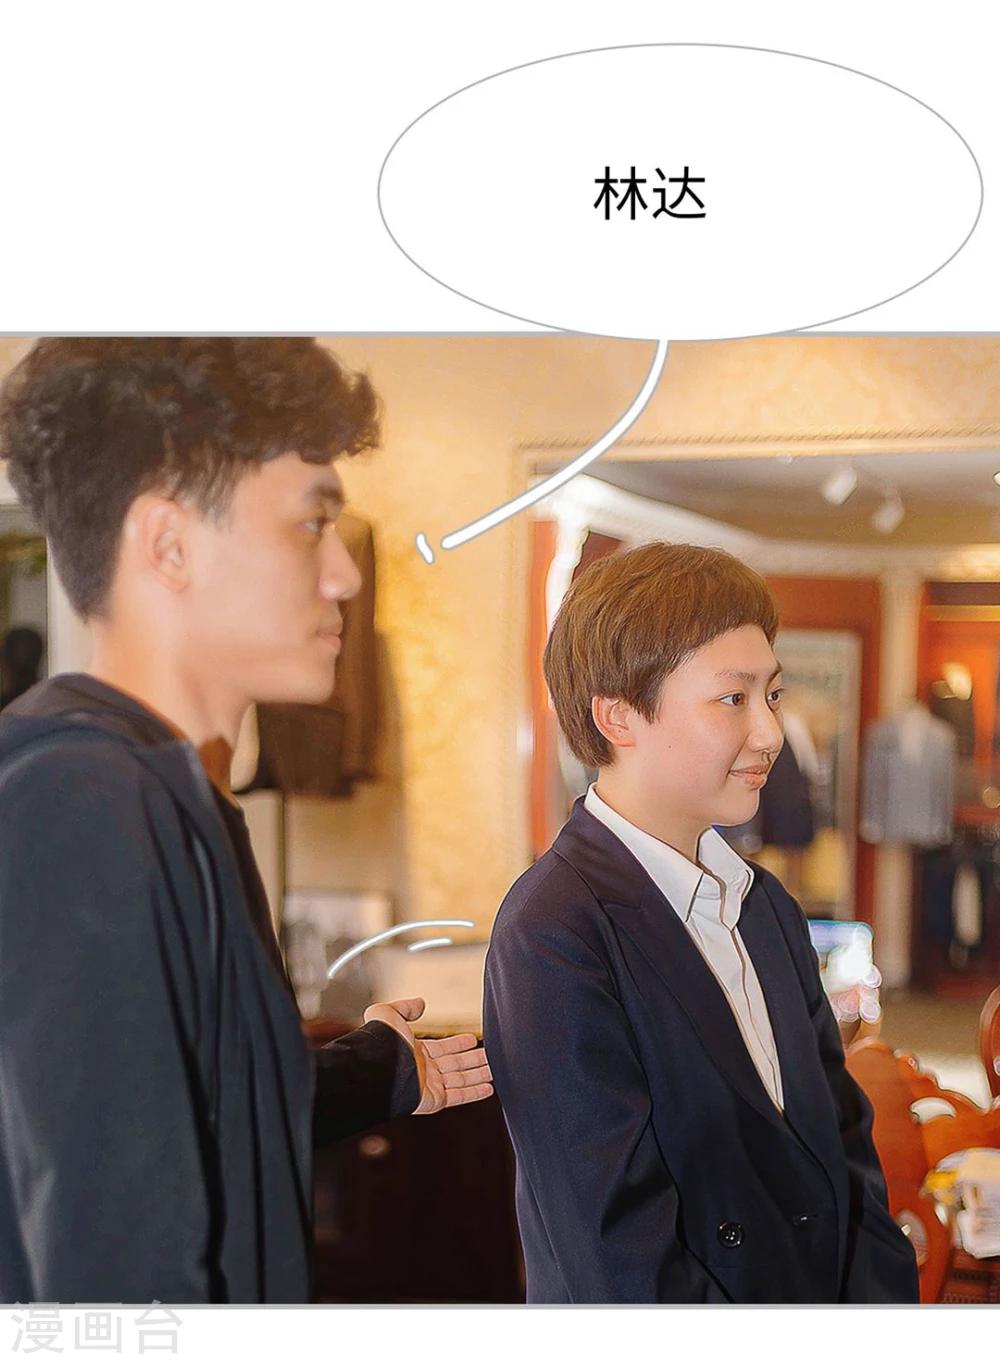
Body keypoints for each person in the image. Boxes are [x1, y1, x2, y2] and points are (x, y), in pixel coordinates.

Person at [0, 338, 493, 1304]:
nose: (344, 576)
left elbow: (185, 1106)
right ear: (169, 543)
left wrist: (376, 1071)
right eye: (312, 525)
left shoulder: (166, 792)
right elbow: (112, 1261)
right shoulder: (83, 801)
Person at [483, 542, 918, 1304]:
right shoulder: (554, 930)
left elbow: (843, 1153)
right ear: (619, 715)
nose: (770, 733)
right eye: (733, 699)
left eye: (772, 695)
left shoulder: (765, 905)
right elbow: (619, 1257)